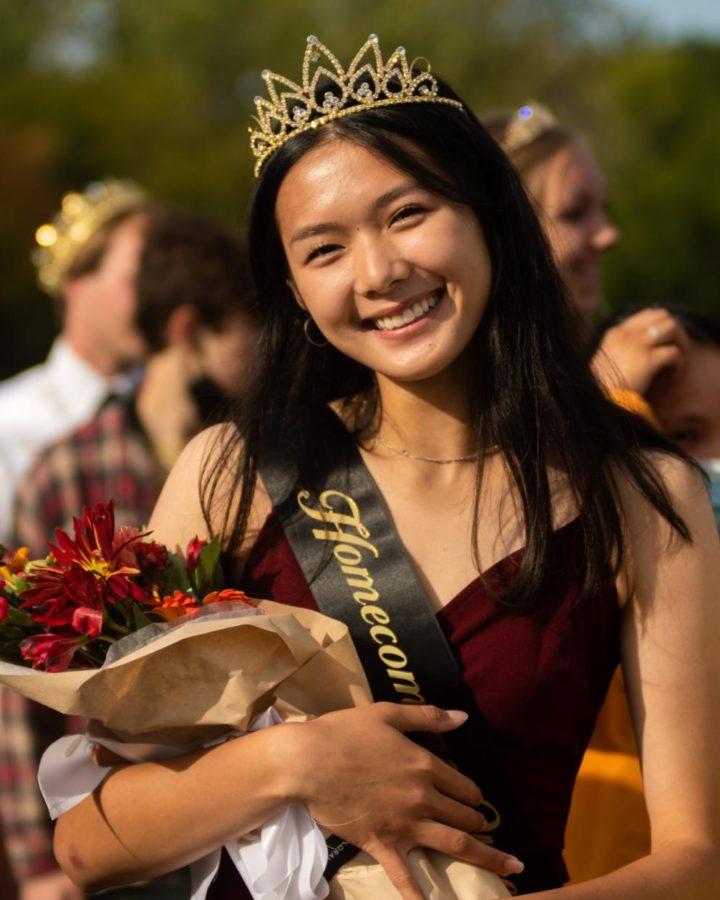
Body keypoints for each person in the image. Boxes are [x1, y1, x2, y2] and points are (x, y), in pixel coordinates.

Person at [54, 36, 720, 899]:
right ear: (292, 289)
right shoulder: (237, 472)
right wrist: (294, 761)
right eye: (324, 250)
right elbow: (89, 844)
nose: (379, 272)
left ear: (488, 213)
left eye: (408, 214)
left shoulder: (638, 496)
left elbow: (695, 863)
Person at [0, 205, 258, 900]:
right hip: (117, 826)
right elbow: (19, 687)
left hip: (259, 821)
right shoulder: (66, 469)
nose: (264, 357)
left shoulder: (263, 463)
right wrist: (38, 865)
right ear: (189, 333)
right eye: (249, 334)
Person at [481, 102, 695, 881]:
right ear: (501, 231)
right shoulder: (586, 413)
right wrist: (614, 406)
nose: (607, 234)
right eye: (576, 213)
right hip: (590, 838)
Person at [0, 180, 150, 550]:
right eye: (137, 279)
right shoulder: (8, 421)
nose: (157, 297)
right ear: (76, 284)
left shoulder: (183, 406)